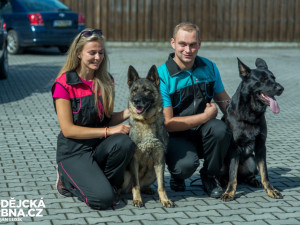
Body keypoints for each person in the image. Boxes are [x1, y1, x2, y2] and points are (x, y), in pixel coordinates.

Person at [51, 28, 134, 210]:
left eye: (101, 53)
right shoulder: (64, 84)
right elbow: (68, 129)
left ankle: (103, 183)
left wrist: (130, 112)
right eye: (92, 53)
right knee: (102, 200)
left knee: (125, 141)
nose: (98, 57)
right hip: (74, 151)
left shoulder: (106, 80)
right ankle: (65, 179)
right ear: (79, 53)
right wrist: (108, 131)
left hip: (98, 147)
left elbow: (106, 119)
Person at [157, 22, 232, 198]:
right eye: (183, 44)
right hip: (176, 134)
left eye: (192, 44)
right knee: (185, 167)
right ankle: (177, 176)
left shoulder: (210, 67)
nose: (188, 50)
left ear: (199, 44)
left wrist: (247, 115)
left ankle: (209, 175)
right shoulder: (162, 75)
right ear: (173, 43)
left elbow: (225, 103)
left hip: (204, 132)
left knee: (221, 130)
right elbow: (168, 123)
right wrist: (205, 116)